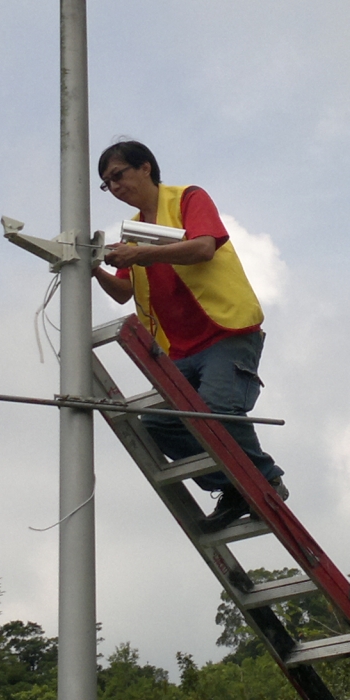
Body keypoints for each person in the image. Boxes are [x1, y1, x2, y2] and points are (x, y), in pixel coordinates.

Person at [91, 139, 285, 529]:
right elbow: (125, 290)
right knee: (160, 425)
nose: (114, 187)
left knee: (216, 411)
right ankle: (234, 487)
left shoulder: (186, 199)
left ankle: (265, 480)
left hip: (224, 330)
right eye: (107, 183)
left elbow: (202, 248)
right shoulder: (134, 232)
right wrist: (92, 268)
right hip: (178, 348)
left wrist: (139, 254)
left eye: (118, 175)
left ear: (145, 167)